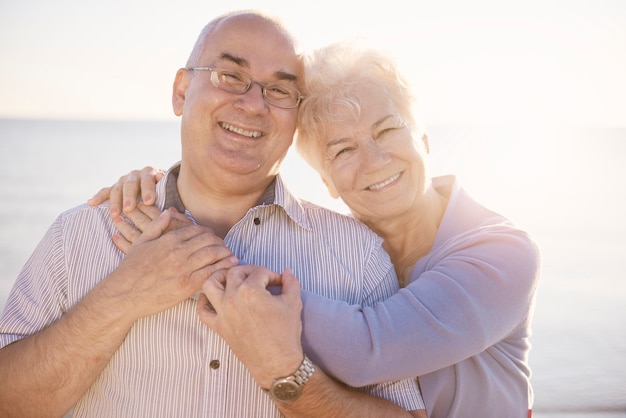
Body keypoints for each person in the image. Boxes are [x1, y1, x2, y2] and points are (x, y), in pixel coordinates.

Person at [0, 12, 427, 418]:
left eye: (279, 90)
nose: (254, 104)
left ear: (296, 117)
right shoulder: (78, 235)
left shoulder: (359, 256)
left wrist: (286, 372)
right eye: (231, 76)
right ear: (182, 91)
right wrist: (122, 295)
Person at [102, 41, 541, 417]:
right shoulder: (352, 254)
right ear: (327, 182)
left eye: (387, 130)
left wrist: (183, 254)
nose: (374, 160)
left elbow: (367, 349)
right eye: (343, 150)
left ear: (423, 140)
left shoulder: (503, 253)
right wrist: (167, 192)